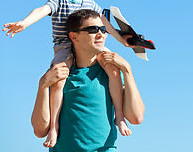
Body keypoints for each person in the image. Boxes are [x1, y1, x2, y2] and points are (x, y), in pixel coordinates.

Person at [3, 0, 132, 147]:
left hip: (91, 44)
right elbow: (41, 10)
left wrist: (122, 40)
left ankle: (119, 117)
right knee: (59, 81)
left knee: (113, 69)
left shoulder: (89, 2)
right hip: (64, 47)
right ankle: (54, 128)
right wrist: (24, 23)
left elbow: (104, 23)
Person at [31, 9, 145, 151]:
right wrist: (42, 85)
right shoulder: (59, 73)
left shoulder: (110, 73)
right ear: (74, 37)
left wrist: (127, 70)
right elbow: (39, 131)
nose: (100, 34)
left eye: (103, 29)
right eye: (92, 29)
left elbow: (136, 118)